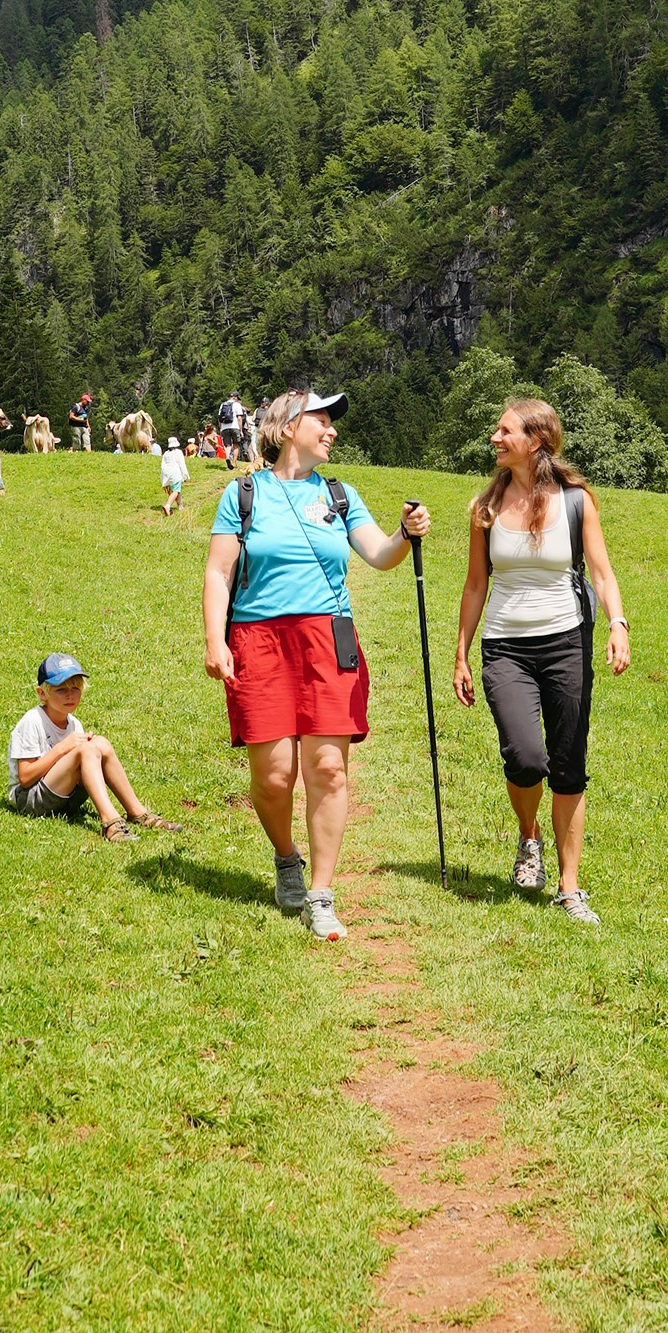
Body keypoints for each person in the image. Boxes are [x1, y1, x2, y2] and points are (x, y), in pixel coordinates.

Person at [203, 387, 430, 941]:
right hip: (259, 640)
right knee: (274, 776)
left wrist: (405, 533)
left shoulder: (340, 494)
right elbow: (218, 573)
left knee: (327, 768)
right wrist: (216, 640)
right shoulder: (244, 493)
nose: (331, 430)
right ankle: (286, 857)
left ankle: (322, 894)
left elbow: (378, 555)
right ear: (285, 428)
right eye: (320, 420)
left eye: (332, 422)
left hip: (329, 639)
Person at [451, 396, 631, 926]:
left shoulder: (577, 502)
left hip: (567, 642)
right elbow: (475, 584)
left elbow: (601, 572)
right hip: (505, 645)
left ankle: (569, 886)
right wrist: (460, 652)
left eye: (504, 431)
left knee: (568, 762)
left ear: (536, 440)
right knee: (527, 756)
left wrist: (617, 625)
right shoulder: (485, 508)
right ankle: (529, 837)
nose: (495, 439)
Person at [7, 654, 172, 840]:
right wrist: (63, 748)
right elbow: (25, 777)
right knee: (86, 749)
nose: (70, 695)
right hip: (30, 799)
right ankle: (110, 823)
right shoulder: (33, 720)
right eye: (61, 689)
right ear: (42, 693)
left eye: (75, 688)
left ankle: (137, 812)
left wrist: (92, 752)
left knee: (100, 743)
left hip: (65, 799)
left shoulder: (74, 724)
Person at [159, 434, 189, 516]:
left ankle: (180, 506)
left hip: (168, 475)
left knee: (176, 490)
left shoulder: (166, 454)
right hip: (176, 474)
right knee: (176, 491)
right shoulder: (178, 452)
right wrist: (185, 475)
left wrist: (164, 479)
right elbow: (182, 464)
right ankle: (167, 506)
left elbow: (163, 466)